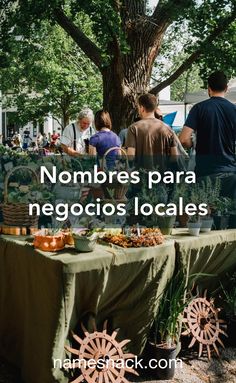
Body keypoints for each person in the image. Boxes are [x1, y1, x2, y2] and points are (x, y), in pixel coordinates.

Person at [179, 71, 236, 198]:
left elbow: (183, 139)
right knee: (229, 214)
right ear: (226, 88)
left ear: (208, 89)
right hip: (230, 172)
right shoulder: (234, 110)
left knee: (205, 214)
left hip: (205, 172)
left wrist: (193, 144)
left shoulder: (199, 108)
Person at [126, 93, 177, 171]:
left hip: (140, 178)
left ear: (142, 108)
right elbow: (174, 157)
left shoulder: (134, 128)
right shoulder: (168, 129)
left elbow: (130, 157)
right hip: (162, 177)